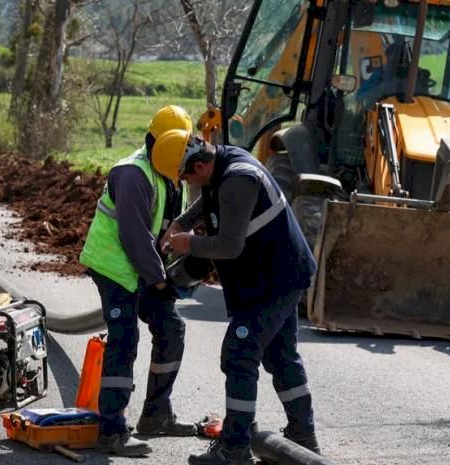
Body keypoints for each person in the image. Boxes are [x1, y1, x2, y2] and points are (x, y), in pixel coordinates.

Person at [152, 129, 320, 465]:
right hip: (276, 275)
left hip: (273, 280)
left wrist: (189, 243)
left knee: (239, 353)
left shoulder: (238, 180)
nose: (187, 183)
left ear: (197, 166)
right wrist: (182, 222)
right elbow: (209, 200)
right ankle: (304, 438)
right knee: (281, 356)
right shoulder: (221, 163)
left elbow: (229, 245)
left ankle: (235, 449)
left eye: (185, 176)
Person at [78, 105, 199, 458]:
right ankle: (112, 430)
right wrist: (160, 281)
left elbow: (164, 228)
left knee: (171, 328)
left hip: (141, 268)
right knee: (124, 338)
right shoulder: (133, 174)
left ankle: (156, 415)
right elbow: (134, 238)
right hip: (115, 269)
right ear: (157, 141)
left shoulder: (167, 171)